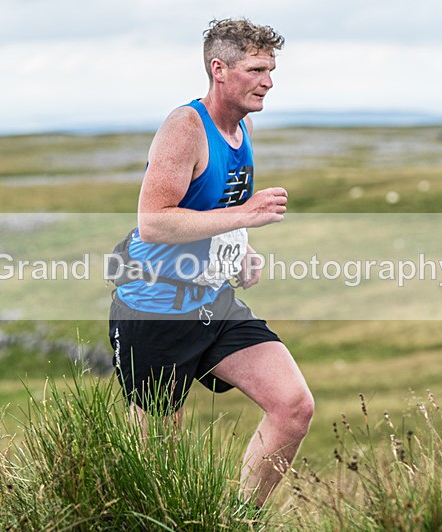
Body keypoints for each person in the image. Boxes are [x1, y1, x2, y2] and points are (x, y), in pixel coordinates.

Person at [108, 18, 314, 507]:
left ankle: (237, 520)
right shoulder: (186, 127)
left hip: (213, 304)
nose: (269, 81)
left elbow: (214, 209)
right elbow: (154, 222)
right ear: (219, 70)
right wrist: (246, 215)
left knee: (293, 407)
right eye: (257, 69)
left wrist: (239, 250)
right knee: (158, 467)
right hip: (155, 310)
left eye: (271, 68)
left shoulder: (238, 128)